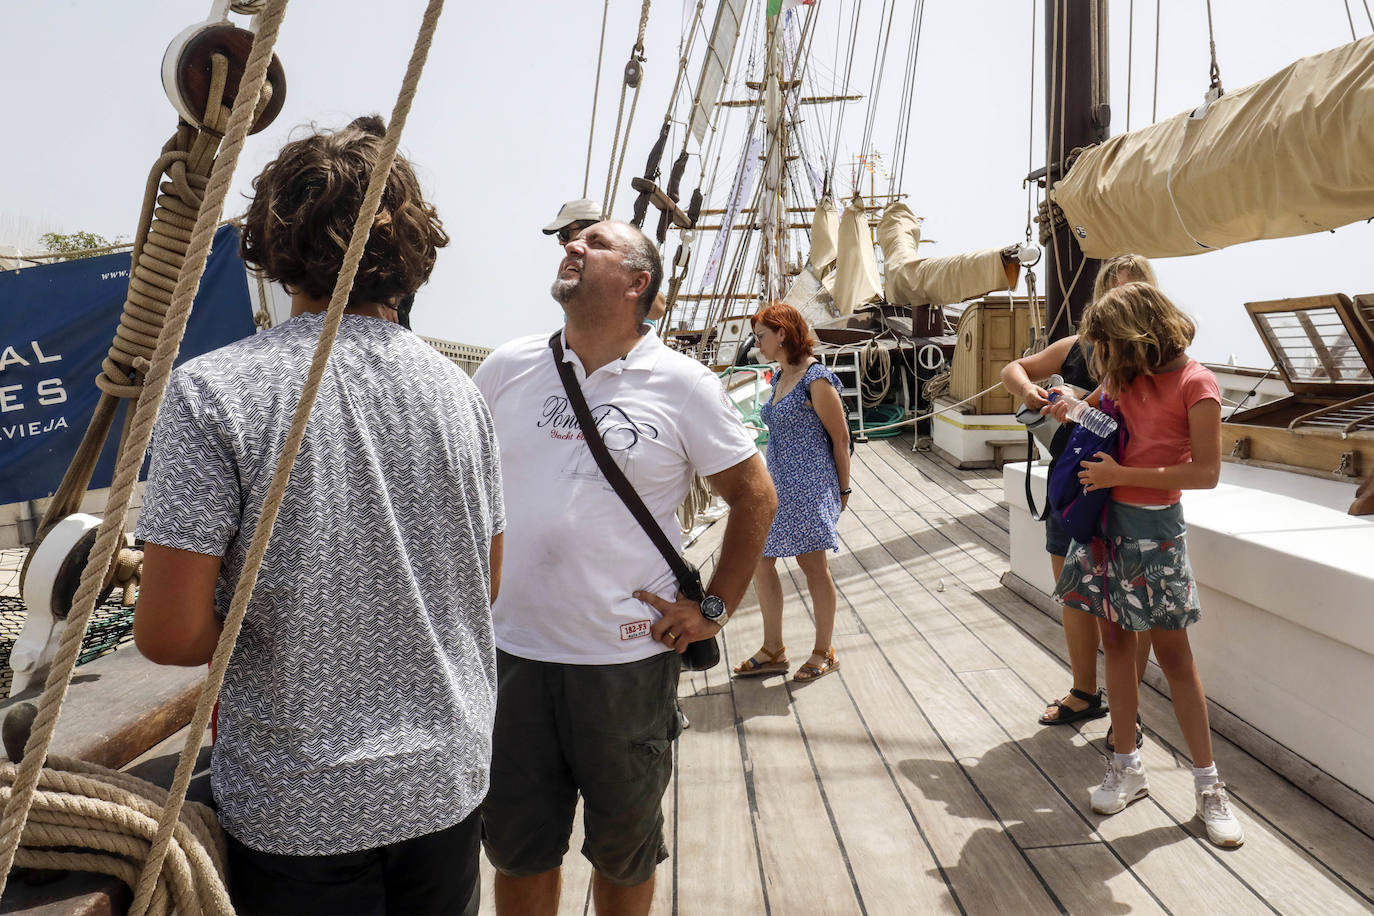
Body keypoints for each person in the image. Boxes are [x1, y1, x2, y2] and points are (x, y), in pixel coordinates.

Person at [133, 116, 504, 914]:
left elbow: (169, 636)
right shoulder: (459, 395)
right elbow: (486, 584)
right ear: (409, 249)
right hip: (445, 778)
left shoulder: (214, 394)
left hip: (300, 804)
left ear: (273, 239)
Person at [473, 220, 776, 916]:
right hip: (512, 654)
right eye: (571, 241)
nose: (572, 246)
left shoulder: (683, 384)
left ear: (639, 282)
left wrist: (715, 609)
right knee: (517, 848)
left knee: (624, 850)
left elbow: (755, 496)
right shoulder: (505, 368)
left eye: (596, 243)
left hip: (625, 666)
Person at [1054, 281, 1244, 847]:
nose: (1104, 359)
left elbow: (1205, 473)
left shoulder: (1196, 384)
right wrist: (1068, 408)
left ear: (1138, 335)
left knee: (1175, 657)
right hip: (1107, 529)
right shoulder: (1123, 376)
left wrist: (1120, 477)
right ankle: (1126, 765)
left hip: (1156, 534)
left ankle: (1209, 786)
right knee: (1115, 644)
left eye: (1109, 343)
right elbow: (1098, 422)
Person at [1001, 253, 1157, 751]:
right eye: (1110, 291)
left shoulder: (1154, 355)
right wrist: (1031, 392)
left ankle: (1126, 711)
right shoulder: (1077, 346)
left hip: (1125, 487)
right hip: (1071, 486)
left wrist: (1073, 405)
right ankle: (1086, 692)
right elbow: (1014, 369)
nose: (1118, 302)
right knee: (1073, 591)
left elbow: (1133, 419)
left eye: (1129, 291)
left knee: (1129, 606)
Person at [732, 303, 850, 682]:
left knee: (812, 565)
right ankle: (773, 649)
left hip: (811, 482)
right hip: (778, 480)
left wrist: (842, 489)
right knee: (761, 559)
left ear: (782, 334)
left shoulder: (815, 378)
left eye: (761, 336)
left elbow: (841, 438)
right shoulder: (780, 376)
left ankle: (823, 650)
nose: (757, 343)